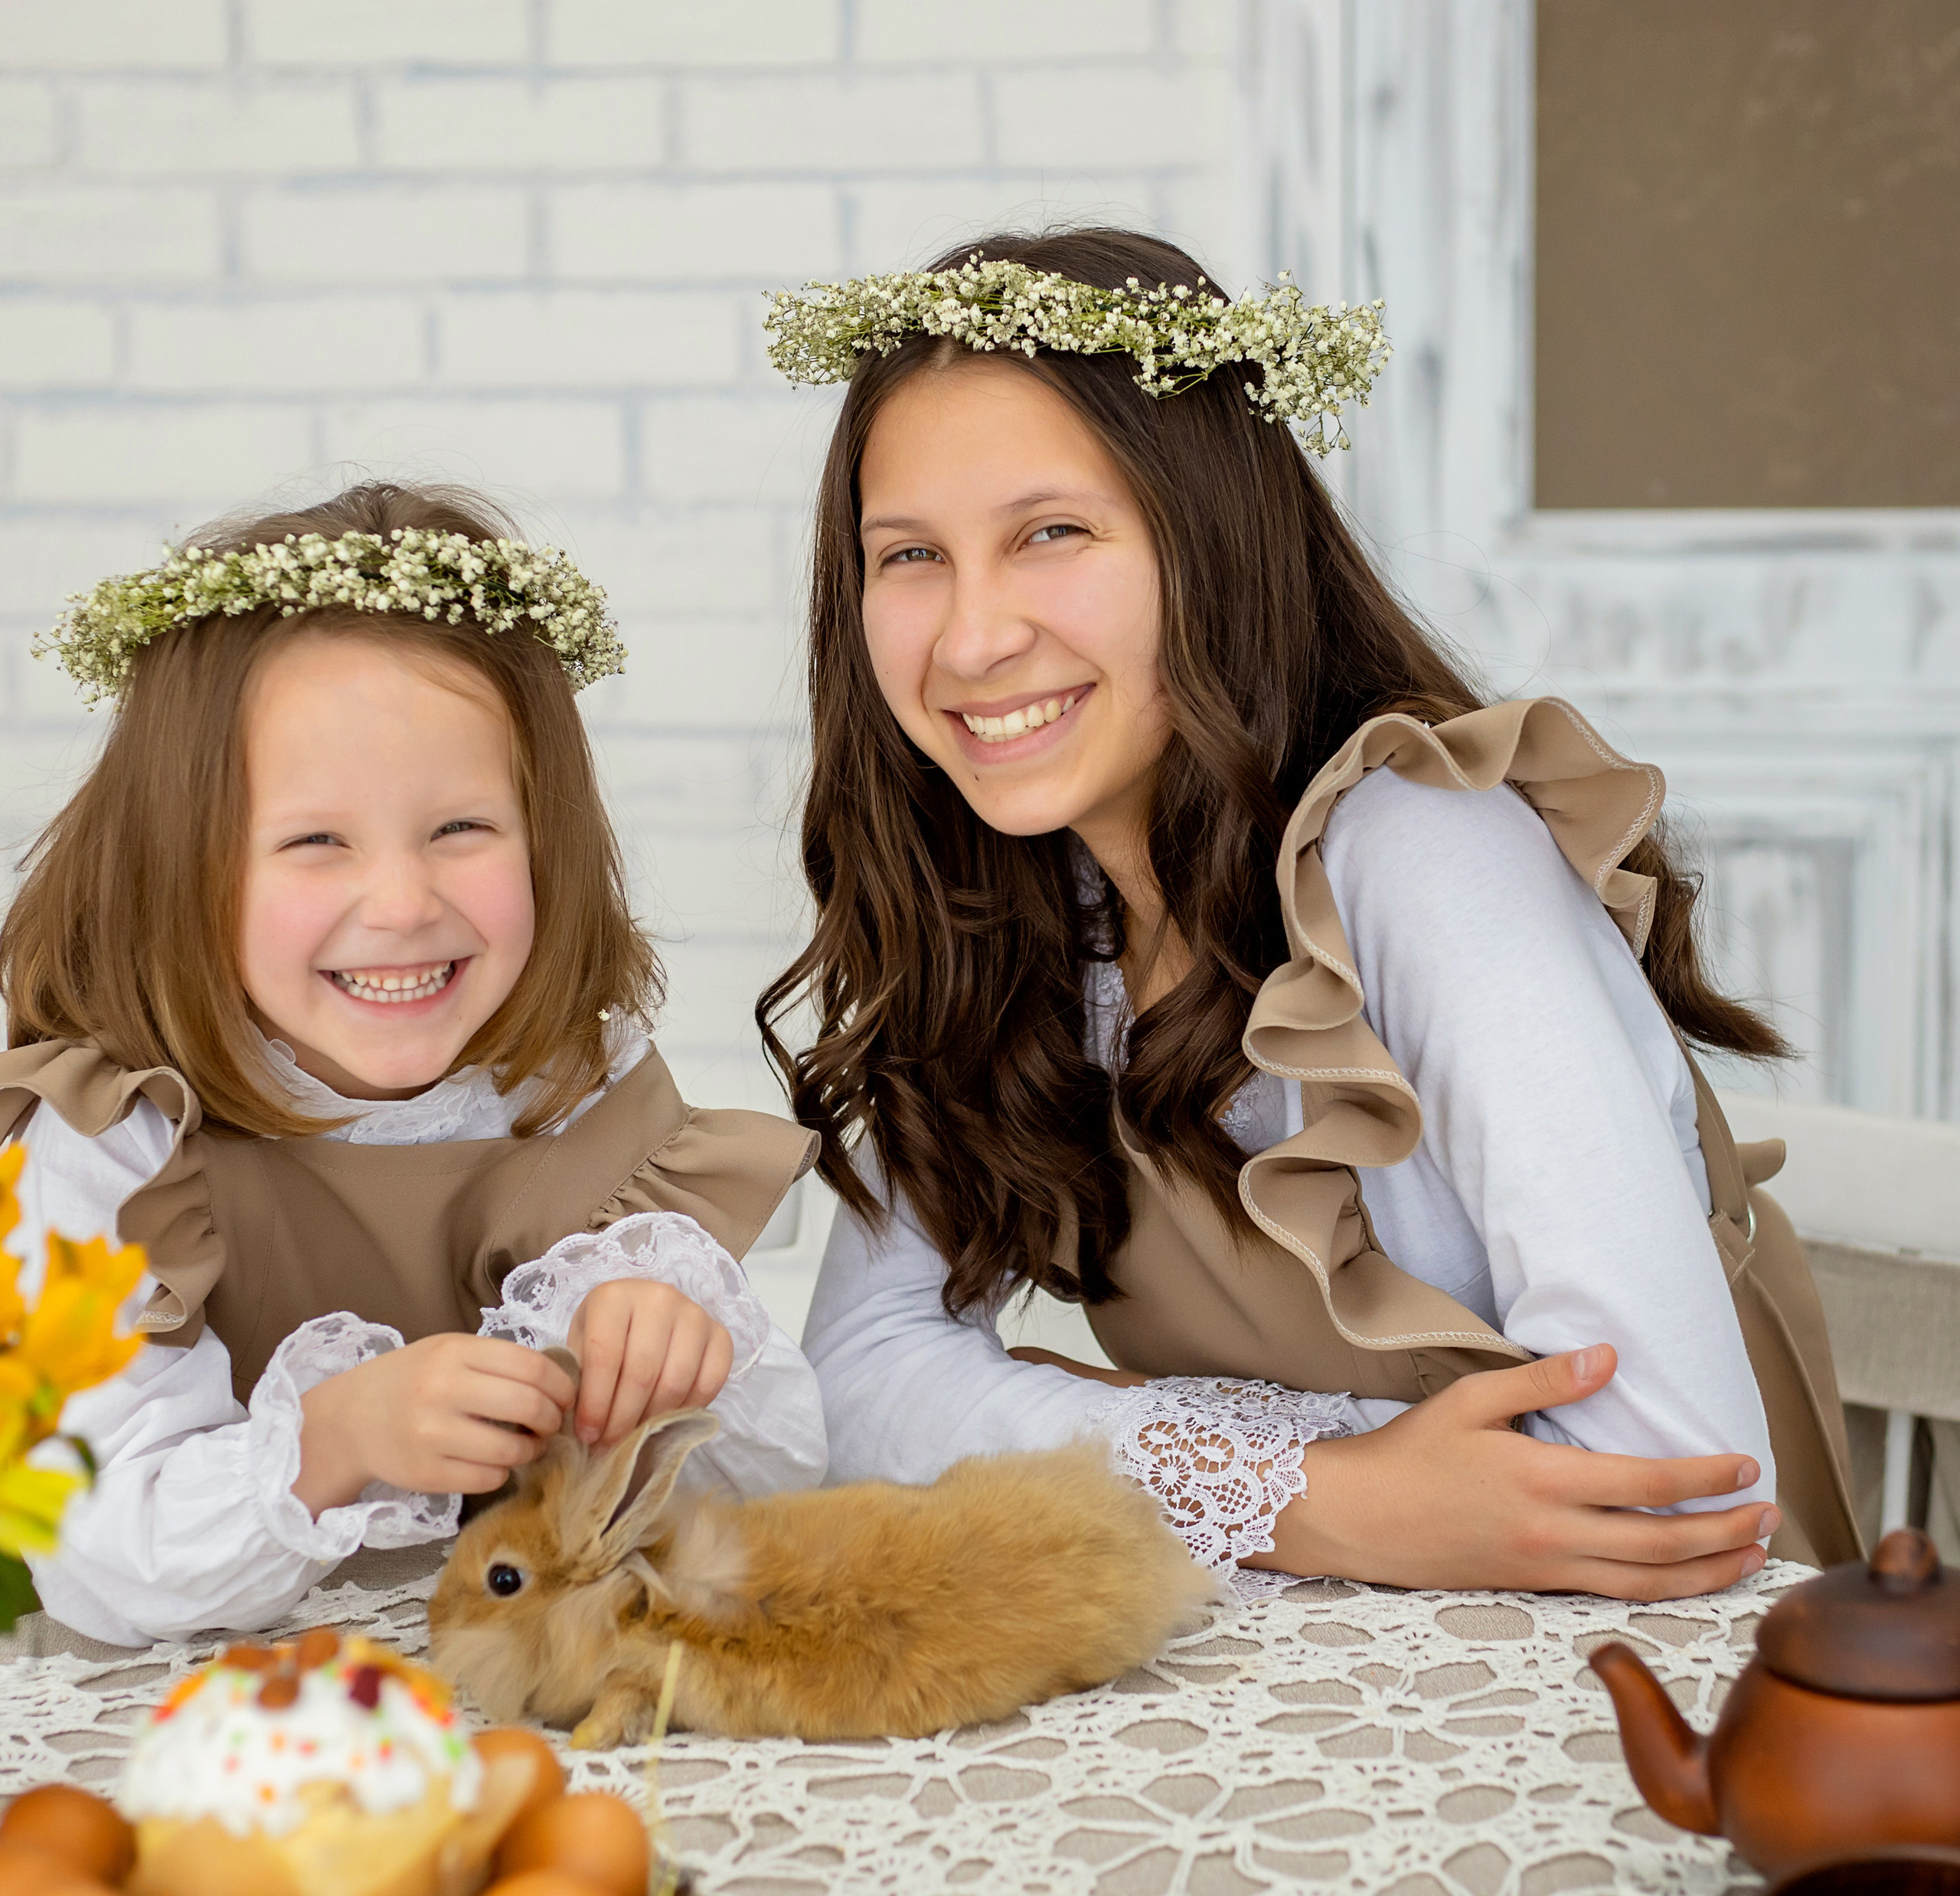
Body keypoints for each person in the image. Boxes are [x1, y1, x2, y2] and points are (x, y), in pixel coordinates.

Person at [760, 228, 1858, 1602]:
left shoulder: (1424, 853)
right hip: (1320, 1649)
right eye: (912, 553)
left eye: (1052, 533)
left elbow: (1678, 1481)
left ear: (1214, 539)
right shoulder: (1007, 903)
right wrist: (1317, 1495)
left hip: (1661, 1667)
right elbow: (860, 1380)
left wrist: (1105, 1429)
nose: (972, 638)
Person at [0, 482, 823, 1646]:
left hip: (513, 1681)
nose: (401, 902)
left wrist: (675, 1356)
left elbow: (775, 1491)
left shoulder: (578, 1099)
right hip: (200, 1704)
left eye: (460, 829)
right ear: (180, 866)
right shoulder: (118, 1144)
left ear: (546, 839)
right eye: (314, 841)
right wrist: (336, 1441)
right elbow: (94, 1554)